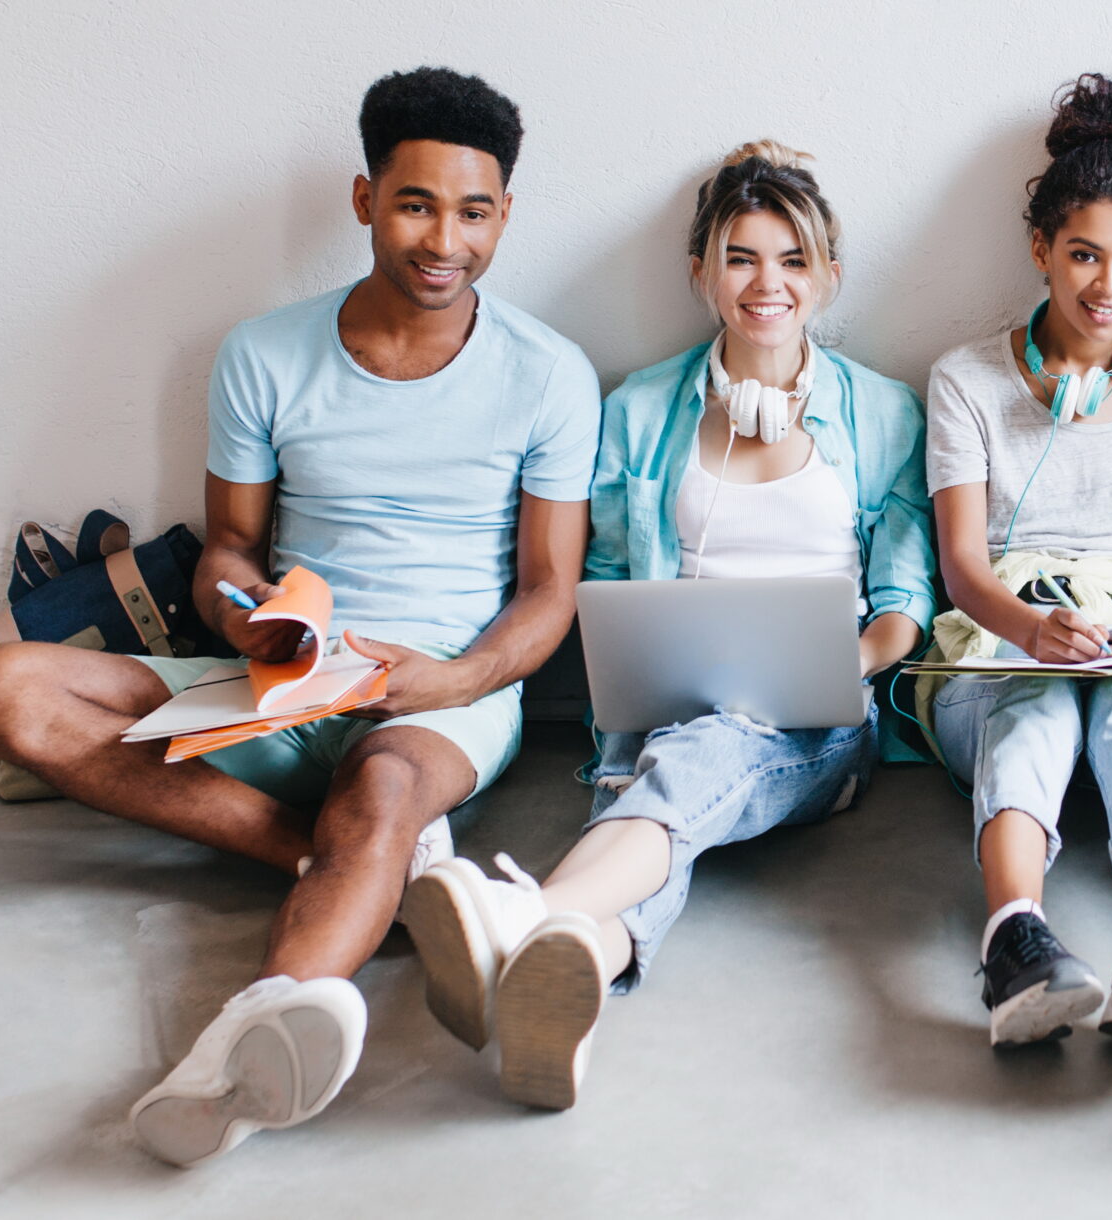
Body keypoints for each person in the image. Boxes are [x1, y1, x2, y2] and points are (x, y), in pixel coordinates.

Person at [0, 67, 598, 1164]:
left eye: (474, 211)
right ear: (363, 200)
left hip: (436, 690)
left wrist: (456, 679)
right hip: (285, 674)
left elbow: (548, 590)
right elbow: (231, 550)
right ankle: (371, 873)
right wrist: (242, 612)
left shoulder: (549, 374)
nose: (445, 239)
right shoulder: (262, 353)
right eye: (416, 204)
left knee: (385, 783)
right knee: (0, 688)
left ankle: (248, 1035)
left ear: (503, 215)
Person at [400, 140, 935, 1110]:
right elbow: (605, 583)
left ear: (827, 277)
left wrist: (827, 664)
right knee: (661, 792)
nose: (765, 284)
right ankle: (566, 972)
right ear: (700, 272)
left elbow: (903, 607)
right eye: (739, 257)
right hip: (661, 706)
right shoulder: (641, 409)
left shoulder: (886, 415)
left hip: (816, 716)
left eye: (791, 260)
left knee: (700, 754)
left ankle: (515, 909)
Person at [923, 74, 1112, 1051]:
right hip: (1005, 643)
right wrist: (1029, 630)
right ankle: (1015, 934)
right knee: (1038, 700)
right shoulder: (965, 380)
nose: (1109, 286)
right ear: (1041, 250)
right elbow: (965, 565)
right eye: (1086, 256)